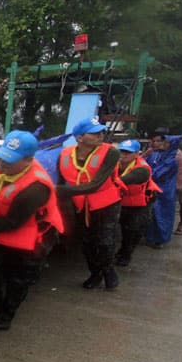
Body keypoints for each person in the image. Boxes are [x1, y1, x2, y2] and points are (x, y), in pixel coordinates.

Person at [0, 130, 64, 330]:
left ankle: (7, 313)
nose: (2, 164)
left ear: (28, 160)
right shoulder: (5, 169)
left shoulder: (35, 188)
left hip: (33, 233)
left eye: (9, 161)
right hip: (4, 223)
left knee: (18, 278)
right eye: (2, 158)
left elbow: (12, 223)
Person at [56, 116, 124, 289]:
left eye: (101, 132)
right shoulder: (64, 154)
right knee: (86, 243)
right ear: (80, 138)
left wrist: (59, 191)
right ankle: (95, 273)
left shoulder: (111, 153)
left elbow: (95, 185)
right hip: (80, 204)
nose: (100, 135)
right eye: (94, 133)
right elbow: (61, 180)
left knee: (105, 241)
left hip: (106, 202)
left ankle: (109, 271)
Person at [114, 140, 158, 267]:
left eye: (128, 152)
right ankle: (122, 251)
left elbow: (124, 180)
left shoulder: (142, 169)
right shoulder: (116, 164)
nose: (124, 155)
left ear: (136, 154)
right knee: (123, 227)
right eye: (122, 151)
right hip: (124, 201)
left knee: (133, 229)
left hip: (141, 203)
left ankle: (126, 255)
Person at [144, 132, 182, 248]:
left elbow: (155, 174)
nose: (160, 144)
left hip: (164, 192)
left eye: (164, 142)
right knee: (151, 214)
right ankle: (150, 237)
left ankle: (160, 239)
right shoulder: (155, 155)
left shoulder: (171, 161)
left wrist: (143, 173)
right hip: (153, 188)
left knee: (162, 215)